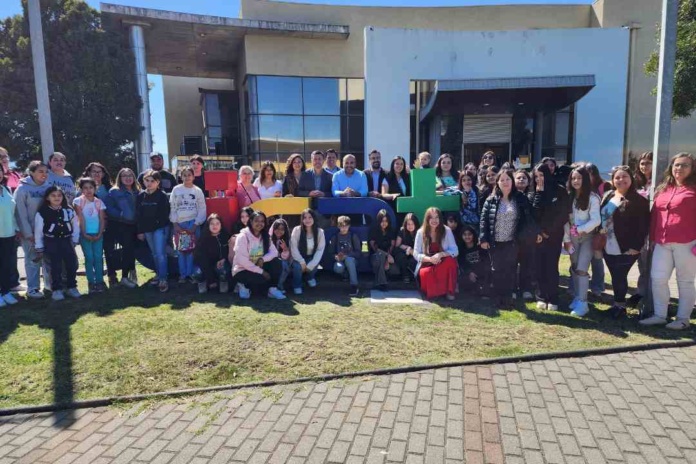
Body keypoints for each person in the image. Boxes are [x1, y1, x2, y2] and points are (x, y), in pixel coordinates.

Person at [640, 153, 696, 330]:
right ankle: (660, 315)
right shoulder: (664, 188)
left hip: (687, 243)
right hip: (662, 242)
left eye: (685, 165)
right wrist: (652, 238)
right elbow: (655, 215)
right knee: (657, 278)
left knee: (685, 281)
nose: (679, 168)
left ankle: (683, 319)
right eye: (676, 165)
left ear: (692, 169)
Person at [480, 169, 539, 307]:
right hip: (495, 241)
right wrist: (483, 238)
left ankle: (508, 297)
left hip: (512, 241)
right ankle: (497, 297)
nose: (505, 182)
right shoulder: (491, 199)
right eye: (502, 180)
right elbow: (484, 220)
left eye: (508, 179)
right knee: (496, 270)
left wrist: (534, 233)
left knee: (510, 269)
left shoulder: (519, 198)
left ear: (512, 182)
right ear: (497, 183)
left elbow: (529, 217)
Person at [597, 166, 650, 319]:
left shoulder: (638, 200)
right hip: (608, 242)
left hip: (627, 246)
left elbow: (643, 225)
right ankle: (617, 305)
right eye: (617, 177)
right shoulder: (609, 195)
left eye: (624, 177)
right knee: (615, 275)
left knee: (620, 274)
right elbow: (602, 216)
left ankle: (620, 307)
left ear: (631, 179)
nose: (621, 180)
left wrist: (636, 246)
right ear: (613, 180)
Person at [530, 163, 570, 311]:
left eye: (542, 175)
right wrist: (539, 194)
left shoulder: (559, 190)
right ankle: (541, 296)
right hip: (539, 235)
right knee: (539, 265)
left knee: (552, 266)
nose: (539, 179)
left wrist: (549, 230)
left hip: (554, 234)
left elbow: (563, 214)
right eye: (536, 176)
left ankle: (553, 297)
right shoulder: (534, 192)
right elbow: (534, 214)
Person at [563, 165, 601, 317]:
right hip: (572, 238)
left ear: (585, 179)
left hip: (588, 237)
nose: (576, 181)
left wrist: (579, 229)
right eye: (573, 178)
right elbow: (566, 220)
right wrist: (567, 238)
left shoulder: (593, 198)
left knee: (582, 268)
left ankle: (583, 302)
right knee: (574, 267)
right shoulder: (569, 196)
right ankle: (578, 297)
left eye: (579, 178)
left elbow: (596, 220)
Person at [34, 186, 81, 301]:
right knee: (55, 266)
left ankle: (71, 287)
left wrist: (75, 239)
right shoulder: (43, 212)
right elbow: (38, 230)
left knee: (71, 264)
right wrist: (39, 246)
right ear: (47, 198)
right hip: (52, 241)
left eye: (59, 195)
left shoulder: (69, 209)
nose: (57, 198)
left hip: (66, 240)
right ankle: (57, 289)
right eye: (53, 196)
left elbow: (75, 224)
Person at [13, 161, 52, 299]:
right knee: (33, 259)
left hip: (47, 231)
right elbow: (20, 213)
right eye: (40, 171)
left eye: (46, 172)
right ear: (32, 172)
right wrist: (28, 233)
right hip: (30, 233)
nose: (44, 174)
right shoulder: (22, 189)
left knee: (48, 259)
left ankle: (48, 285)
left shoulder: (49, 187)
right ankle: (33, 288)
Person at [232, 210, 286, 300]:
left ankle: (272, 289)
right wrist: (261, 272)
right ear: (251, 221)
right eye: (256, 221)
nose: (259, 223)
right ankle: (242, 285)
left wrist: (262, 259)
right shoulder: (242, 237)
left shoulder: (265, 236)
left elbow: (274, 252)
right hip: (242, 270)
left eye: (262, 221)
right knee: (260, 281)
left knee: (277, 262)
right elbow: (242, 261)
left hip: (258, 266)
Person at [170, 166, 207, 284]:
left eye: (189, 175)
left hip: (193, 222)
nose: (187, 177)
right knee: (181, 251)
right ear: (181, 177)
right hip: (181, 223)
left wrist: (196, 225)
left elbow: (202, 208)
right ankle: (182, 274)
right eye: (184, 175)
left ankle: (192, 274)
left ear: (193, 176)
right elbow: (173, 207)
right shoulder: (176, 190)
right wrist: (175, 223)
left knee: (192, 250)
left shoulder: (197, 191)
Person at [136, 170, 171, 293]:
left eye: (152, 181)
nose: (149, 183)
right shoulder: (140, 196)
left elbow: (164, 215)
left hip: (159, 229)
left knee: (160, 254)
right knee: (154, 253)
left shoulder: (162, 196)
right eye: (147, 180)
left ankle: (163, 279)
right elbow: (138, 215)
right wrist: (140, 231)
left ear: (158, 182)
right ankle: (159, 274)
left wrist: (155, 227)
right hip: (146, 230)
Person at [414, 207, 459, 300]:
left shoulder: (447, 231)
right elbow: (416, 253)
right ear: (427, 219)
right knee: (427, 273)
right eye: (431, 218)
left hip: (442, 261)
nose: (434, 220)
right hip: (428, 263)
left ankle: (449, 291)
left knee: (451, 261)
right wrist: (429, 259)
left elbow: (455, 251)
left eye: (436, 217)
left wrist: (441, 254)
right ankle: (437, 292)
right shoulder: (420, 232)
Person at [105, 168, 140, 289]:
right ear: (120, 178)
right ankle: (124, 277)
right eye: (124, 176)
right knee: (127, 249)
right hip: (121, 225)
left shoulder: (138, 191)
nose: (127, 178)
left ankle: (131, 275)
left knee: (132, 250)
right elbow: (109, 208)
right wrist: (120, 215)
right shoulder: (114, 191)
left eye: (130, 175)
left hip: (135, 225)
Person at [73, 177, 107, 294]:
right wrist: (84, 233)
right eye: (85, 188)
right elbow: (80, 218)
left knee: (98, 258)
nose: (88, 190)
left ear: (95, 188)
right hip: (85, 234)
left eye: (91, 187)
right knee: (89, 258)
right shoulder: (78, 201)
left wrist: (99, 233)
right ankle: (91, 282)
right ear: (81, 189)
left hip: (97, 234)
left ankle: (100, 281)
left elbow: (102, 219)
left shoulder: (99, 202)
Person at [630, 151, 654, 307]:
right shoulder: (635, 183)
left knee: (650, 266)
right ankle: (642, 293)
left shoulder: (658, 182)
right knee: (642, 264)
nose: (645, 166)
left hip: (653, 228)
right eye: (642, 163)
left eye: (648, 163)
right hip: (638, 228)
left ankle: (648, 297)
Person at [586, 163, 610, 295]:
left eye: (589, 173)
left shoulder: (605, 186)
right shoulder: (582, 187)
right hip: (584, 229)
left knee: (597, 258)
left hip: (599, 228)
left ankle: (598, 286)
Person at [290, 208, 326, 295]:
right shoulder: (297, 230)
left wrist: (310, 265)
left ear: (314, 218)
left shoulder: (320, 232)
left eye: (310, 217)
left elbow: (320, 250)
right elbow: (293, 247)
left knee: (314, 264)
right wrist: (302, 262)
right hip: (298, 257)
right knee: (297, 266)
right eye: (305, 218)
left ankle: (309, 278)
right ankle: (297, 285)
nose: (307, 220)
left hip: (311, 256)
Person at [194, 213, 231, 294]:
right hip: (206, 265)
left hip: (221, 264)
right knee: (197, 271)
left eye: (217, 223)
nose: (215, 226)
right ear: (208, 225)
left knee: (223, 269)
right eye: (212, 224)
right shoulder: (203, 238)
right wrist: (211, 280)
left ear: (221, 225)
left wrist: (224, 259)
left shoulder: (226, 236)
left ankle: (223, 282)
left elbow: (230, 251)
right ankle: (203, 282)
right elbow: (201, 258)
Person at [328, 215, 362, 296]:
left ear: (349, 226)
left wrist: (347, 256)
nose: (343, 228)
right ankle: (345, 274)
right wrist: (335, 257)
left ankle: (354, 286)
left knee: (349, 260)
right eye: (341, 226)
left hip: (352, 261)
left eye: (345, 226)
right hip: (340, 261)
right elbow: (330, 252)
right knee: (338, 268)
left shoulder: (353, 236)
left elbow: (358, 253)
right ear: (338, 226)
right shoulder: (335, 237)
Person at [0, 163, 19, 306]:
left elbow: (12, 212)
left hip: (9, 234)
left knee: (6, 265)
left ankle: (5, 292)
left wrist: (16, 229)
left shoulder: (6, 189)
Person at [369, 209, 399, 291]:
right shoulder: (374, 230)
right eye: (382, 221)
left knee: (395, 270)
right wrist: (387, 255)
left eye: (386, 221)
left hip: (388, 258)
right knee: (380, 257)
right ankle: (383, 283)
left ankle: (378, 281)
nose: (384, 223)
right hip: (375, 257)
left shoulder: (391, 230)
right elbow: (374, 247)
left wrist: (387, 258)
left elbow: (392, 245)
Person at [457, 224, 490, 296]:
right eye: (464, 234)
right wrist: (470, 273)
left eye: (469, 234)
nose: (467, 237)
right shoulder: (461, 249)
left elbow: (486, 260)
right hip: (469, 273)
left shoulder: (480, 246)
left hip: (482, 272)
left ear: (473, 235)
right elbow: (462, 263)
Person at [381, 156, 411, 225]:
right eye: (397, 163)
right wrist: (393, 195)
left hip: (407, 208)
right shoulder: (387, 178)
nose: (399, 166)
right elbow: (384, 194)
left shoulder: (408, 177)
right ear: (393, 165)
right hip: (393, 209)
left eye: (401, 164)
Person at [393, 213, 420, 283]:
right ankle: (405, 275)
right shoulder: (402, 231)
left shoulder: (419, 232)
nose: (410, 226)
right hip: (404, 252)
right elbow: (397, 245)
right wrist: (407, 247)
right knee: (400, 255)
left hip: (415, 253)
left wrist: (412, 251)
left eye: (412, 224)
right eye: (408, 224)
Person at [269, 218, 292, 293]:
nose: (279, 231)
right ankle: (276, 286)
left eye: (282, 229)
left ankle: (279, 285)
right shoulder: (269, 239)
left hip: (282, 261)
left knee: (284, 265)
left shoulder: (287, 240)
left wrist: (285, 249)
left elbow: (285, 257)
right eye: (277, 229)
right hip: (271, 261)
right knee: (282, 264)